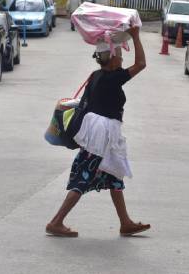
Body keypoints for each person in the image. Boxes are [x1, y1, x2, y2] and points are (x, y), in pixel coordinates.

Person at [46, 26, 149, 238]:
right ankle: (56, 222)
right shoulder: (113, 78)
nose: (121, 58)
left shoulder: (95, 76)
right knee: (83, 177)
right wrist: (136, 37)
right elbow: (141, 64)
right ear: (111, 59)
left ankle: (125, 223)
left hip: (99, 133)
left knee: (114, 176)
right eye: (119, 54)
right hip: (101, 135)